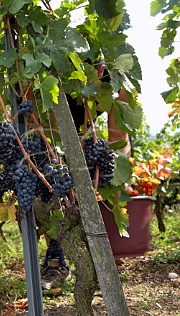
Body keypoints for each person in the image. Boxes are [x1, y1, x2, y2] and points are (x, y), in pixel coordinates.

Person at [40, 59, 131, 291]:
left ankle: (99, 260)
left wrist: (113, 172)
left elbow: (118, 134)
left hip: (84, 131)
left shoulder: (115, 78)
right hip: (46, 124)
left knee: (94, 183)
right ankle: (56, 261)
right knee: (48, 188)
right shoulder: (50, 65)